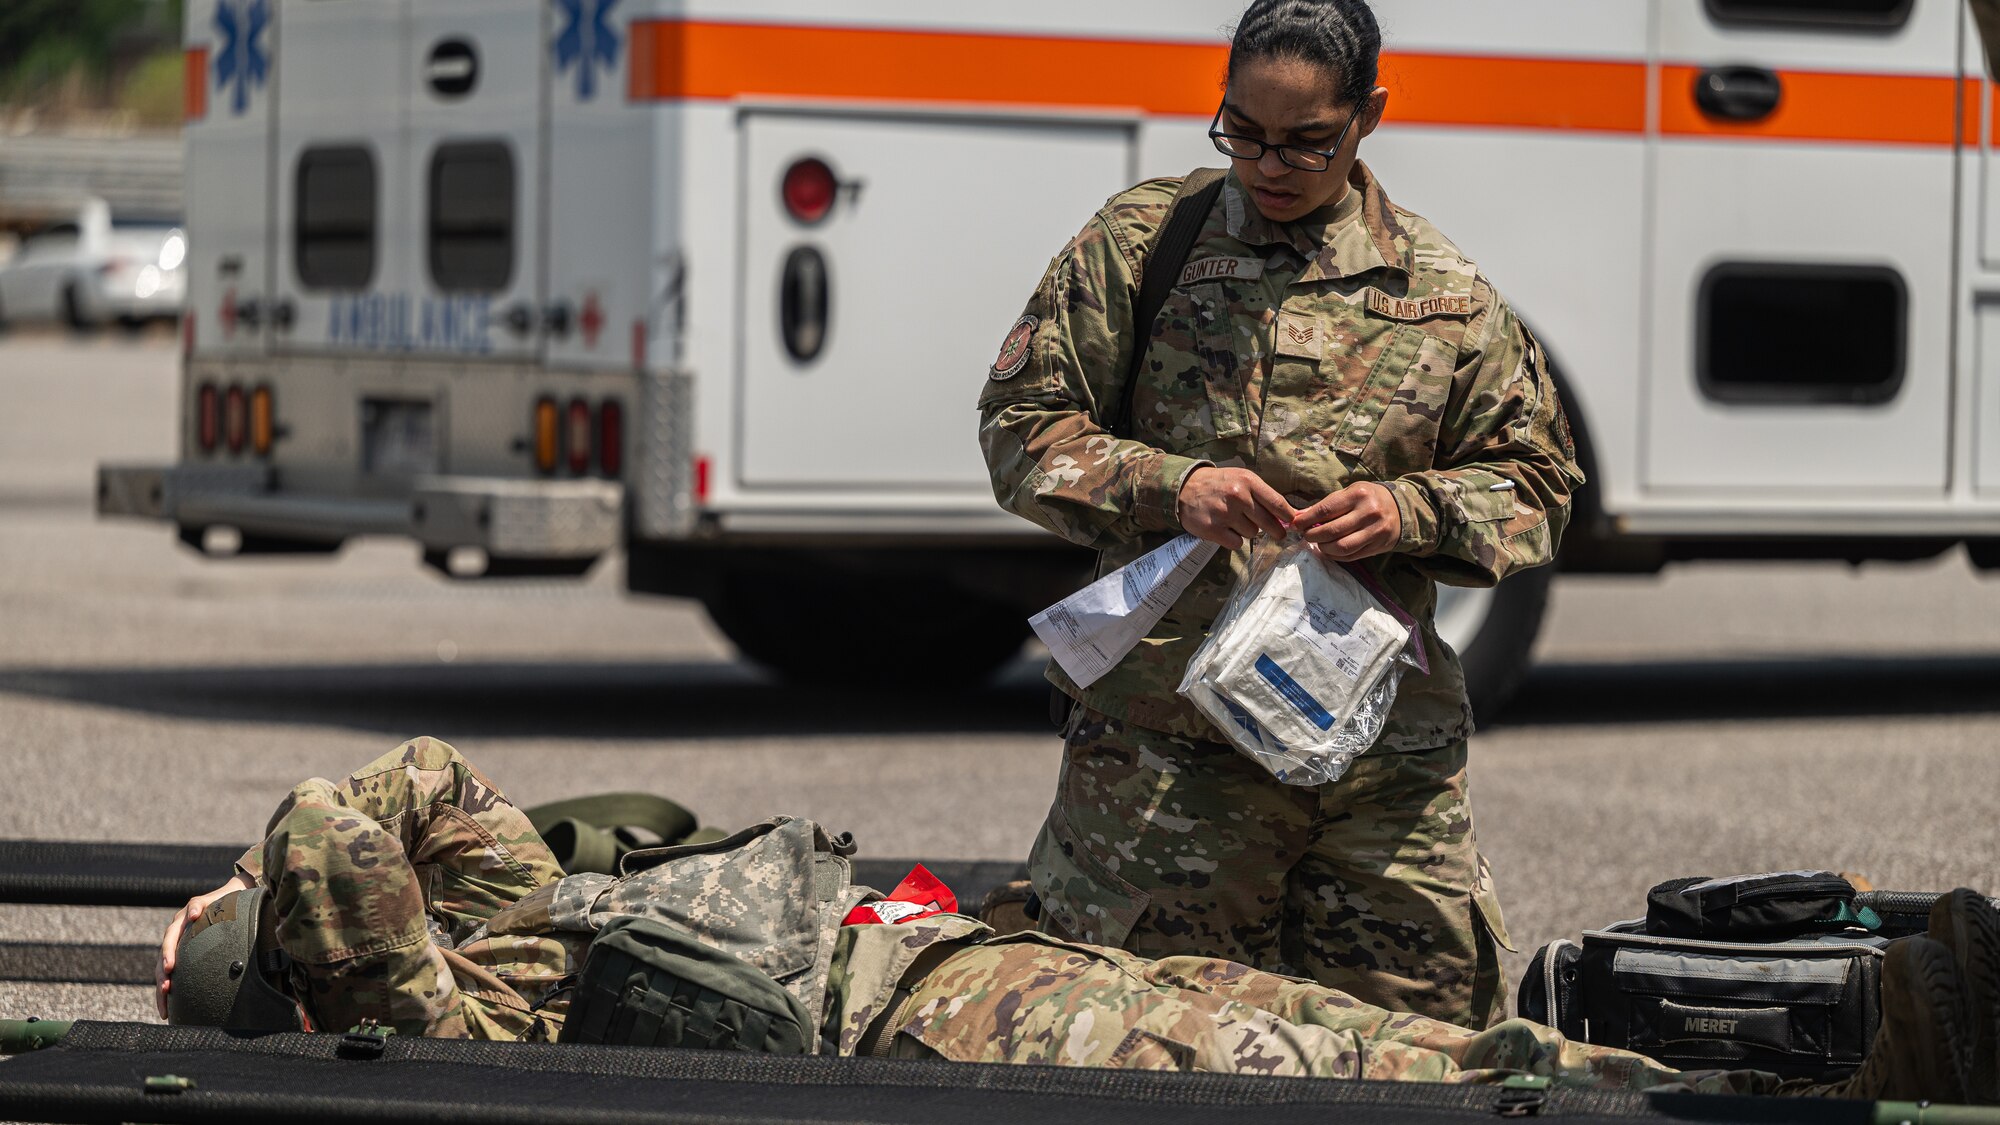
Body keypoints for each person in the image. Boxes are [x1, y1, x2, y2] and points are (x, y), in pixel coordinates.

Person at [156, 738, 1999, 1105]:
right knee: (1390, 1081)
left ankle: (1889, 1035)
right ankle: (1849, 1073)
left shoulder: (499, 921)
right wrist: (246, 900)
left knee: (1392, 1052)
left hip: (963, 973)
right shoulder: (451, 1036)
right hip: (942, 1026)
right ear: (325, 965)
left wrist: (244, 916)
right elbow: (334, 816)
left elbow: (401, 775)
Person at [976, 0, 1581, 1027]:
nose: (1269, 163)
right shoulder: (1142, 246)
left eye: (1307, 140)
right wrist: (1170, 484)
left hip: (1375, 772)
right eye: (1242, 132)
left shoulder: (1440, 293)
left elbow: (1536, 484)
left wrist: (1409, 511)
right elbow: (1020, 425)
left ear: (1368, 117)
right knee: (1139, 1052)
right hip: (1168, 762)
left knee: (1421, 1046)